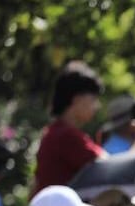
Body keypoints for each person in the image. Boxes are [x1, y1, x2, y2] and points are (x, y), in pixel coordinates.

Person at [33, 61, 105, 194]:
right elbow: (107, 166)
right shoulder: (66, 135)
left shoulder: (54, 131)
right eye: (93, 99)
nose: (97, 106)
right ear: (76, 100)